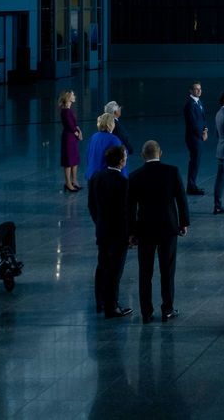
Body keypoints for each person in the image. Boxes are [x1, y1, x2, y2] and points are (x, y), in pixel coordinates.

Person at [126, 141, 190, 324]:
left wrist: (131, 232)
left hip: (144, 229)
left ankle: (146, 312)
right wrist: (183, 223)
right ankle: (167, 308)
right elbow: (181, 199)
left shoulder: (135, 176)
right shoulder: (172, 172)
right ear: (160, 153)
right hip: (168, 228)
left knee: (145, 272)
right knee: (167, 270)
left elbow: (130, 208)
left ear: (143, 155)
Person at [88, 146, 132, 319]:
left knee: (102, 266)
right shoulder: (123, 182)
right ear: (121, 161)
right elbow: (125, 212)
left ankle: (100, 302)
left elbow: (91, 205)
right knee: (115, 271)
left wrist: (99, 222)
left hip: (102, 230)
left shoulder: (96, 177)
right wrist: (129, 233)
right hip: (118, 233)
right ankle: (111, 306)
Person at [182, 82, 208, 196]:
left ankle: (192, 185)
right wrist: (200, 134)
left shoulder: (198, 102)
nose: (199, 91)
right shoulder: (190, 105)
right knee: (194, 162)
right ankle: (191, 187)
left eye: (200, 89)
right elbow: (192, 123)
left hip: (198, 136)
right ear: (191, 91)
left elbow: (202, 118)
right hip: (193, 137)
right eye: (196, 89)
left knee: (196, 162)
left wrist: (205, 130)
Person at [85, 113, 128, 179]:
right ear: (111, 124)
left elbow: (88, 156)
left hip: (91, 176)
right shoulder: (114, 140)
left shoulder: (93, 137)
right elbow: (119, 161)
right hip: (106, 178)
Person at [59, 90, 84, 192]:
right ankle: (68, 183)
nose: (74, 96)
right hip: (69, 138)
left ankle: (74, 181)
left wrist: (79, 131)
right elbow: (70, 125)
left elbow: (74, 123)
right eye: (73, 95)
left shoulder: (69, 110)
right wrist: (77, 133)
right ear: (68, 97)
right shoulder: (66, 111)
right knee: (68, 161)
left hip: (72, 138)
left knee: (74, 160)